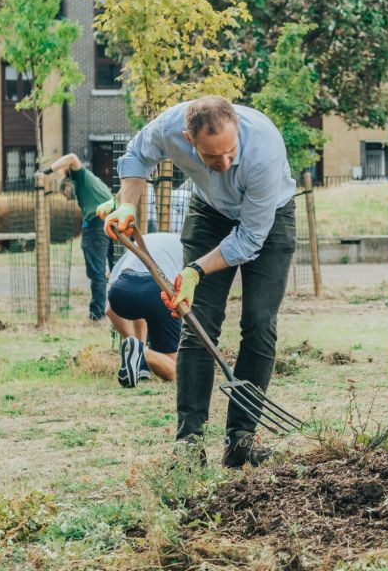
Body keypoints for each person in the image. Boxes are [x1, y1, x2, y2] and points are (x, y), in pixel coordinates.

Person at [100, 96, 296, 468]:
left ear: (237, 127)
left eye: (229, 153)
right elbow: (137, 155)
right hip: (209, 213)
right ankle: (189, 444)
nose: (223, 163)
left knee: (259, 322)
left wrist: (194, 271)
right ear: (189, 140)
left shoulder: (263, 150)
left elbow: (251, 239)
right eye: (212, 157)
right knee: (195, 320)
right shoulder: (169, 127)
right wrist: (127, 204)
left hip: (268, 221)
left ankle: (241, 440)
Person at [106, 232, 184, 388]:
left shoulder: (145, 238)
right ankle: (143, 353)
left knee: (138, 308)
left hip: (121, 292)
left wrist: (130, 338)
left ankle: (140, 365)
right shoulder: (188, 246)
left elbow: (109, 310)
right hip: (157, 291)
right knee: (176, 372)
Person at [44, 154, 114, 321]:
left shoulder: (79, 176)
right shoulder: (90, 184)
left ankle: (97, 314)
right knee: (118, 266)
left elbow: (72, 157)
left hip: (98, 223)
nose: (68, 196)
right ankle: (123, 311)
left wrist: (46, 171)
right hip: (115, 219)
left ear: (69, 181)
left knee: (96, 271)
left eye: (65, 190)